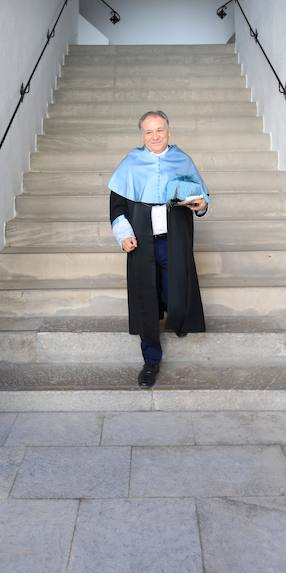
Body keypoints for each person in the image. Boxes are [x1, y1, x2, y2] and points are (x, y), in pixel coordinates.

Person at [108, 110, 209, 388]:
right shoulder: (130, 163)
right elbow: (116, 205)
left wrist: (202, 206)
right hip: (141, 241)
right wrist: (123, 235)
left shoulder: (182, 160)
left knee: (174, 290)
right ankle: (151, 359)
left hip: (172, 239)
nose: (155, 136)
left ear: (168, 131)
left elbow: (201, 198)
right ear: (143, 134)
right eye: (149, 131)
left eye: (160, 130)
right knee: (145, 297)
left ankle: (174, 317)